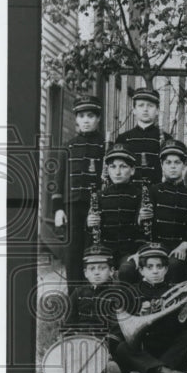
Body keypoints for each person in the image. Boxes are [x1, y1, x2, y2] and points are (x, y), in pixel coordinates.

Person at [110, 244, 187, 373]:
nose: (155, 271)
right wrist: (140, 314)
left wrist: (186, 311)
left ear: (166, 269)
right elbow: (122, 326)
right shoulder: (132, 291)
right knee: (122, 348)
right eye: (149, 267)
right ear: (141, 270)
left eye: (159, 266)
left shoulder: (177, 290)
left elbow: (184, 326)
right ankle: (164, 372)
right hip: (145, 346)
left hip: (168, 343)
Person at [51, 95, 107, 292]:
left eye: (90, 116)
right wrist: (58, 209)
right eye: (82, 116)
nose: (85, 120)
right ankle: (74, 299)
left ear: (98, 119)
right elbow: (58, 180)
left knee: (94, 251)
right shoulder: (69, 146)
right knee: (73, 254)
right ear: (76, 119)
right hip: (72, 206)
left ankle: (94, 298)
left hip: (96, 208)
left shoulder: (104, 146)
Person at [62, 244, 123, 373]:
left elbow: (118, 327)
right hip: (82, 342)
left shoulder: (117, 295)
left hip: (106, 343)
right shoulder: (78, 293)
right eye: (92, 269)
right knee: (71, 361)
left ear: (111, 271)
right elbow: (69, 323)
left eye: (102, 268)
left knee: (112, 359)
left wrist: (106, 346)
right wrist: (72, 341)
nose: (97, 272)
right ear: (85, 273)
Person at [143, 139, 187, 284]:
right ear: (162, 165)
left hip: (181, 248)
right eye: (168, 163)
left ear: (184, 165)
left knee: (174, 264)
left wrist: (184, 246)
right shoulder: (153, 191)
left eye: (177, 162)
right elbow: (143, 227)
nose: (173, 167)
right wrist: (142, 218)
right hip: (156, 247)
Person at [88, 143, 145, 278]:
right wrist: (89, 223)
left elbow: (143, 231)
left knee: (127, 270)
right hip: (106, 250)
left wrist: (139, 252)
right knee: (99, 273)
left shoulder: (139, 195)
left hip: (130, 251)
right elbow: (93, 232)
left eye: (123, 166)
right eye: (113, 167)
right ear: (107, 170)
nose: (117, 172)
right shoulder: (100, 196)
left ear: (132, 170)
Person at [115, 86, 173, 187]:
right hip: (129, 194)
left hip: (157, 193)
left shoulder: (167, 139)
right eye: (141, 105)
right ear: (134, 110)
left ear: (157, 110)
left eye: (150, 106)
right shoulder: (123, 138)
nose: (145, 109)